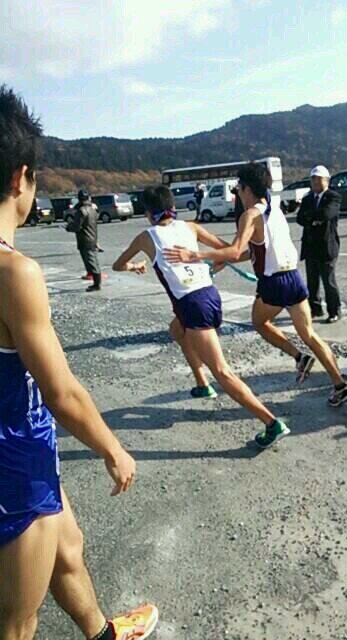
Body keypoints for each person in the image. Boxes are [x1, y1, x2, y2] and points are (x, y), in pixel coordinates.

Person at [0, 86, 157, 640]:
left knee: (68, 551)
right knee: (17, 620)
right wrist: (113, 447)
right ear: (21, 178)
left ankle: (104, 635)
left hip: (26, 449)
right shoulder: (14, 274)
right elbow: (61, 390)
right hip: (13, 462)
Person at [164, 163, 347, 421]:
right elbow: (253, 250)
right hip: (293, 277)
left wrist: (195, 254)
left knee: (259, 322)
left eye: (238, 189)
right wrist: (225, 260)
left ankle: (298, 357)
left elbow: (234, 249)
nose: (237, 194)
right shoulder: (273, 209)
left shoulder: (249, 215)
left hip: (273, 283)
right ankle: (340, 384)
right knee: (308, 333)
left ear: (245, 188)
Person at [112, 185, 289, 449]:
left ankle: (271, 422)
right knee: (176, 330)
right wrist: (215, 260)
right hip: (210, 297)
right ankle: (201, 383)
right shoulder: (191, 227)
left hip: (192, 304)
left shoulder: (146, 237)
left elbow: (117, 265)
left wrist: (134, 265)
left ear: (148, 213)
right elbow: (234, 252)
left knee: (223, 371)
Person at [297, 165, 342, 323]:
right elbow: (300, 218)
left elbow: (326, 214)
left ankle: (334, 310)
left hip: (327, 246)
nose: (315, 182)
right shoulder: (308, 198)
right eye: (313, 179)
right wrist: (313, 219)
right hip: (310, 246)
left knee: (328, 281)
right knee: (312, 282)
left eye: (318, 179)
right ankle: (315, 309)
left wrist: (313, 217)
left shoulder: (333, 196)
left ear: (327, 180)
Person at [66, 189, 102, 291]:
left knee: (91, 262)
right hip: (93, 237)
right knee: (93, 261)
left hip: (85, 239)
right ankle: (96, 283)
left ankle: (97, 284)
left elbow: (77, 227)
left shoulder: (81, 211)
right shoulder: (92, 209)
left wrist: (69, 227)